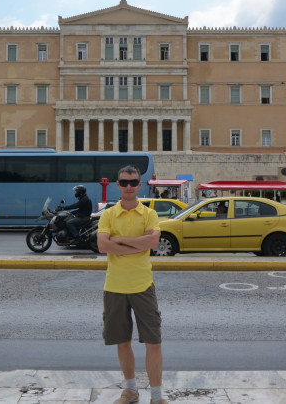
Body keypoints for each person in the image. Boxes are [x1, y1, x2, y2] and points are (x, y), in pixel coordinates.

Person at [97, 165, 167, 404]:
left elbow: (153, 242)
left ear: (140, 184)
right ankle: (130, 391)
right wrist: (138, 244)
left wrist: (120, 241)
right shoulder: (108, 214)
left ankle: (157, 397)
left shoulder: (149, 214)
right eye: (124, 182)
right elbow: (103, 246)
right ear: (118, 184)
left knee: (154, 342)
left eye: (133, 182)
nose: (129, 186)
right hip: (115, 286)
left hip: (143, 286)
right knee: (122, 342)